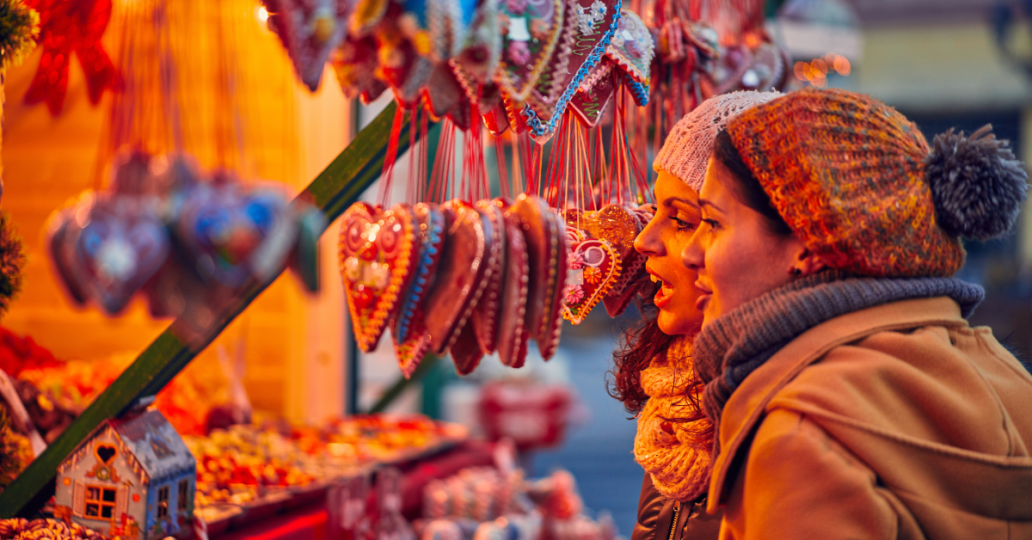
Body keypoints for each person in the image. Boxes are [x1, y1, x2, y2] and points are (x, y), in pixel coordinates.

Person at [681, 87, 1032, 539]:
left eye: (711, 223)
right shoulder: (1004, 374)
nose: (692, 252)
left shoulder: (800, 440)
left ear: (808, 244)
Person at [610, 91, 780, 540]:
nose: (643, 240)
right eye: (655, 211)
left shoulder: (781, 419)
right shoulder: (677, 409)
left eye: (683, 220)